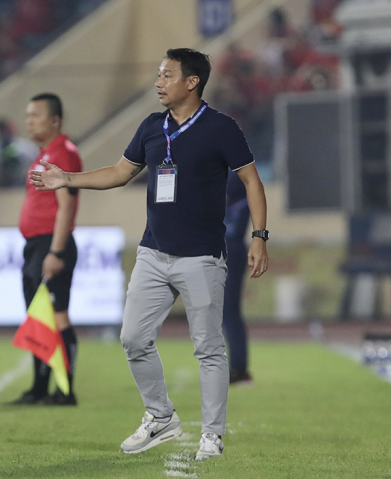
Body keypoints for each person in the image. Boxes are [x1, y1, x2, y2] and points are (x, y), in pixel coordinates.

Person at [29, 49, 269, 458]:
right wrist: (66, 179)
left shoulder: (221, 128)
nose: (158, 82)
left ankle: (212, 435)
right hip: (153, 254)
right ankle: (160, 418)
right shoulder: (151, 127)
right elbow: (120, 173)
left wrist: (260, 236)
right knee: (133, 338)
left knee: (209, 347)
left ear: (192, 82)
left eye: (167, 75)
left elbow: (251, 181)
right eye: (158, 75)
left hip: (202, 257)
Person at [11, 93, 82, 406]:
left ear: (55, 120)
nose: (29, 121)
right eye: (27, 115)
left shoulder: (63, 153)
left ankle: (64, 391)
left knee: (58, 316)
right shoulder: (45, 155)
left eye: (36, 115)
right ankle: (40, 388)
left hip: (51, 244)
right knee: (39, 318)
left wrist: (55, 252)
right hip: (36, 245)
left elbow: (67, 205)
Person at [223, 171, 253, 385]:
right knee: (229, 312)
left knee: (226, 312)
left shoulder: (233, 181)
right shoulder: (244, 188)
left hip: (225, 249)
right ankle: (238, 367)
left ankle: (237, 368)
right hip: (233, 248)